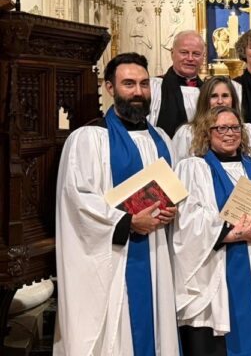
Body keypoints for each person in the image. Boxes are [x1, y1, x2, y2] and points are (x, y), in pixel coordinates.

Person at [55, 52, 180, 355]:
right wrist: (128, 222)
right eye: (128, 84)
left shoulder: (161, 138)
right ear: (109, 87)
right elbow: (77, 202)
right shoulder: (88, 139)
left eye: (143, 84)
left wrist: (175, 209)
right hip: (116, 256)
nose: (138, 92)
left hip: (158, 253)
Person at [173, 106, 251, 355]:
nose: (229, 133)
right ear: (206, 132)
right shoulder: (194, 169)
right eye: (221, 128)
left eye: (234, 127)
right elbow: (188, 219)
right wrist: (229, 233)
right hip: (219, 272)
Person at [170, 76, 251, 161]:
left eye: (225, 96)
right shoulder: (188, 133)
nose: (220, 101)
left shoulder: (249, 131)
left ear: (233, 100)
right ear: (204, 100)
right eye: (213, 96)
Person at [150, 30, 205, 137]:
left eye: (196, 54)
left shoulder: (209, 92)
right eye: (184, 52)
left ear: (203, 57)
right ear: (172, 53)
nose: (190, 58)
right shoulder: (154, 86)